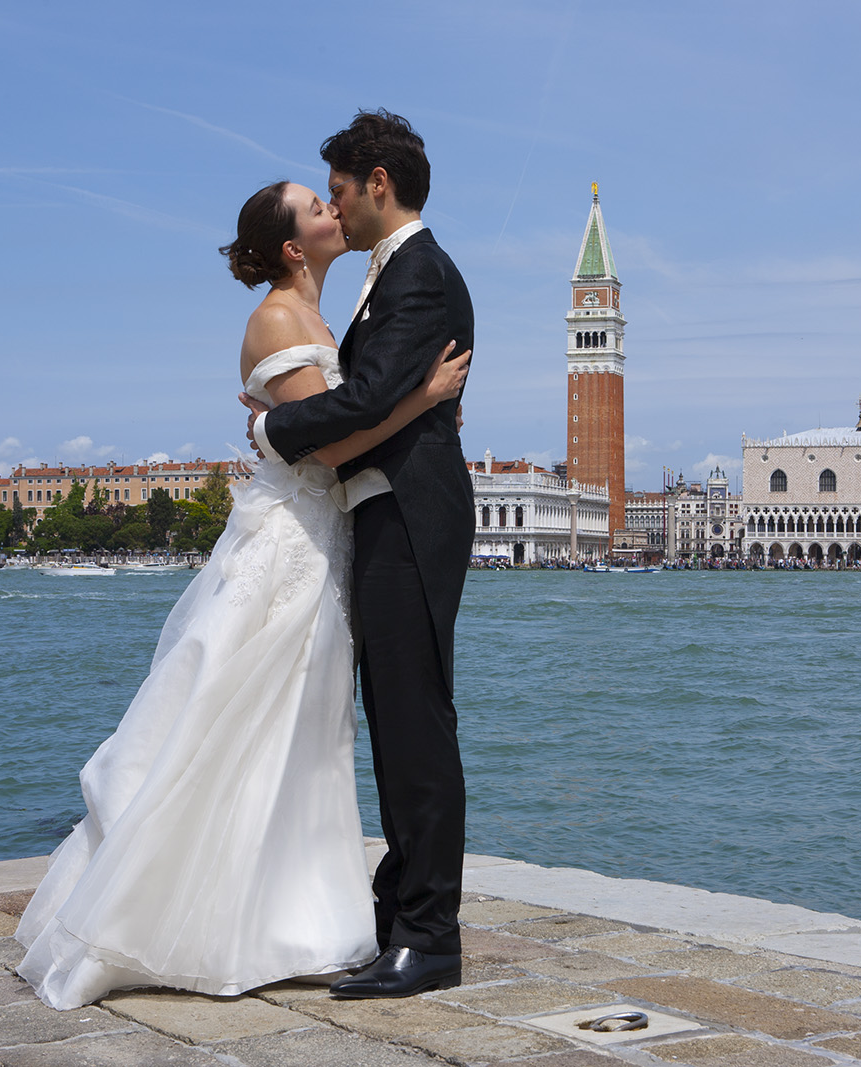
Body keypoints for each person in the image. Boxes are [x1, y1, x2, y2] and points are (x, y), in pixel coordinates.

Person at [11, 178, 470, 1012]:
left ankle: (294, 911)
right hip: (298, 538)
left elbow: (341, 414)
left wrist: (408, 407)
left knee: (303, 725)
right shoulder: (277, 319)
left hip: (332, 538)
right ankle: (229, 913)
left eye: (334, 199)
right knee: (250, 711)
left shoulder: (333, 315)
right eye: (317, 207)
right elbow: (327, 451)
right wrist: (423, 401)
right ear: (295, 246)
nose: (334, 212)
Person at [242, 109, 473, 999]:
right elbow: (387, 397)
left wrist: (272, 427)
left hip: (408, 519)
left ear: (378, 181)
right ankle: (401, 907)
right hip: (388, 515)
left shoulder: (417, 273)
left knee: (416, 725)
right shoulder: (394, 275)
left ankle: (430, 935)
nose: (335, 203)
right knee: (400, 723)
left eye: (338, 187)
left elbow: (372, 396)